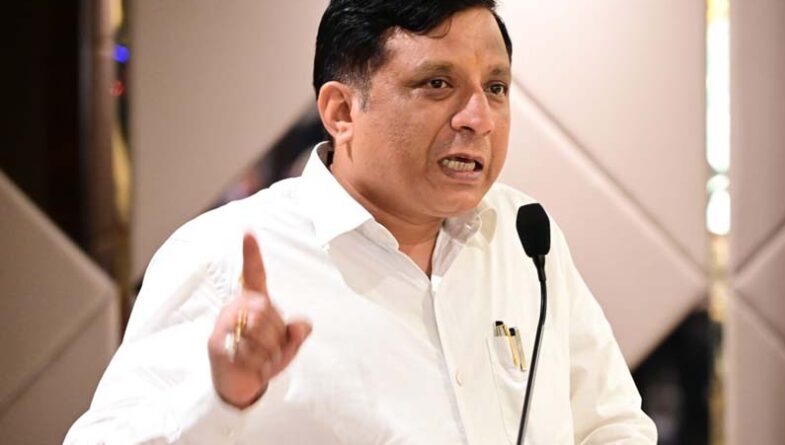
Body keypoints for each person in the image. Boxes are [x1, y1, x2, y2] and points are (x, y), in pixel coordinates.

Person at [65, 0, 657, 443]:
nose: (478, 117)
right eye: (438, 84)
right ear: (341, 110)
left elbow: (610, 426)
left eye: (496, 87)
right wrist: (221, 397)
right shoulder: (223, 255)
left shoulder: (525, 236)